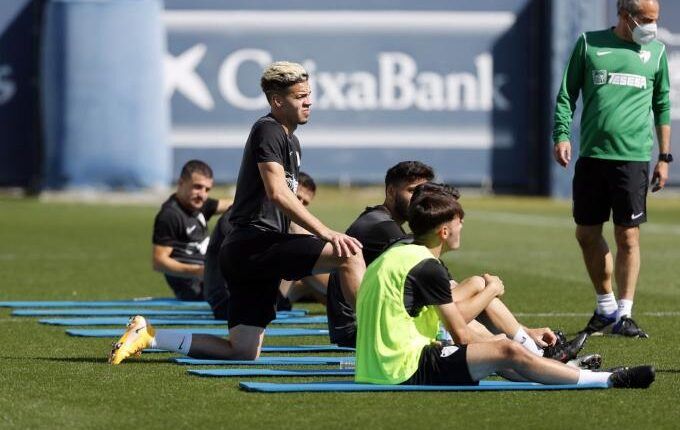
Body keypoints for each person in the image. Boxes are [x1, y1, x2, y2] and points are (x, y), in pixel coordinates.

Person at [109, 60, 365, 364]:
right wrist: (325, 232)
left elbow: (284, 201)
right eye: (300, 96)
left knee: (242, 351)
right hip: (256, 244)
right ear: (277, 101)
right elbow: (278, 193)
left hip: (248, 252)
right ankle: (378, 340)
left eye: (309, 94)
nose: (309, 101)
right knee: (349, 254)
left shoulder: (290, 140)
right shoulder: (268, 129)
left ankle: (149, 335)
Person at [354, 184, 655, 388]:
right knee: (505, 351)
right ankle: (605, 379)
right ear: (444, 231)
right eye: (460, 222)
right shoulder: (427, 267)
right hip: (401, 369)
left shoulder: (399, 254)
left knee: (497, 345)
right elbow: (460, 334)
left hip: (379, 365)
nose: (462, 228)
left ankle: (550, 363)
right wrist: (492, 296)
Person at [327, 163, 590, 369]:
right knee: (475, 292)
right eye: (412, 191)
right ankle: (534, 353)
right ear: (390, 191)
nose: (419, 198)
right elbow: (446, 299)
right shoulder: (384, 230)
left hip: (380, 322)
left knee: (473, 291)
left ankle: (532, 347)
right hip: (367, 330)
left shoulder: (385, 223)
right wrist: (486, 289)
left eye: (423, 191)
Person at [552, 0, 672, 337]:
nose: (652, 25)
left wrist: (664, 157)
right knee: (586, 234)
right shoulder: (589, 44)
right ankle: (605, 307)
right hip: (592, 157)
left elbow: (662, 104)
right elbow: (566, 94)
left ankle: (625, 312)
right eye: (647, 19)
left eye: (656, 19)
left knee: (628, 236)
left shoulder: (657, 53)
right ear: (625, 16)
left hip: (633, 159)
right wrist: (561, 134)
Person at [202, 171, 319, 320]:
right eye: (297, 198)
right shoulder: (261, 214)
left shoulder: (255, 208)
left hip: (235, 295)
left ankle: (342, 304)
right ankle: (348, 307)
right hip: (231, 302)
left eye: (305, 203)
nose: (300, 205)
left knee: (311, 273)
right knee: (312, 262)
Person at [151, 160, 231, 301]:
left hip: (209, 276)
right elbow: (159, 262)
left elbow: (231, 204)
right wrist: (198, 271)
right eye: (197, 187)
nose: (203, 194)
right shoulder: (171, 215)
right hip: (193, 287)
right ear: (181, 183)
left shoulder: (197, 204)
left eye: (207, 189)